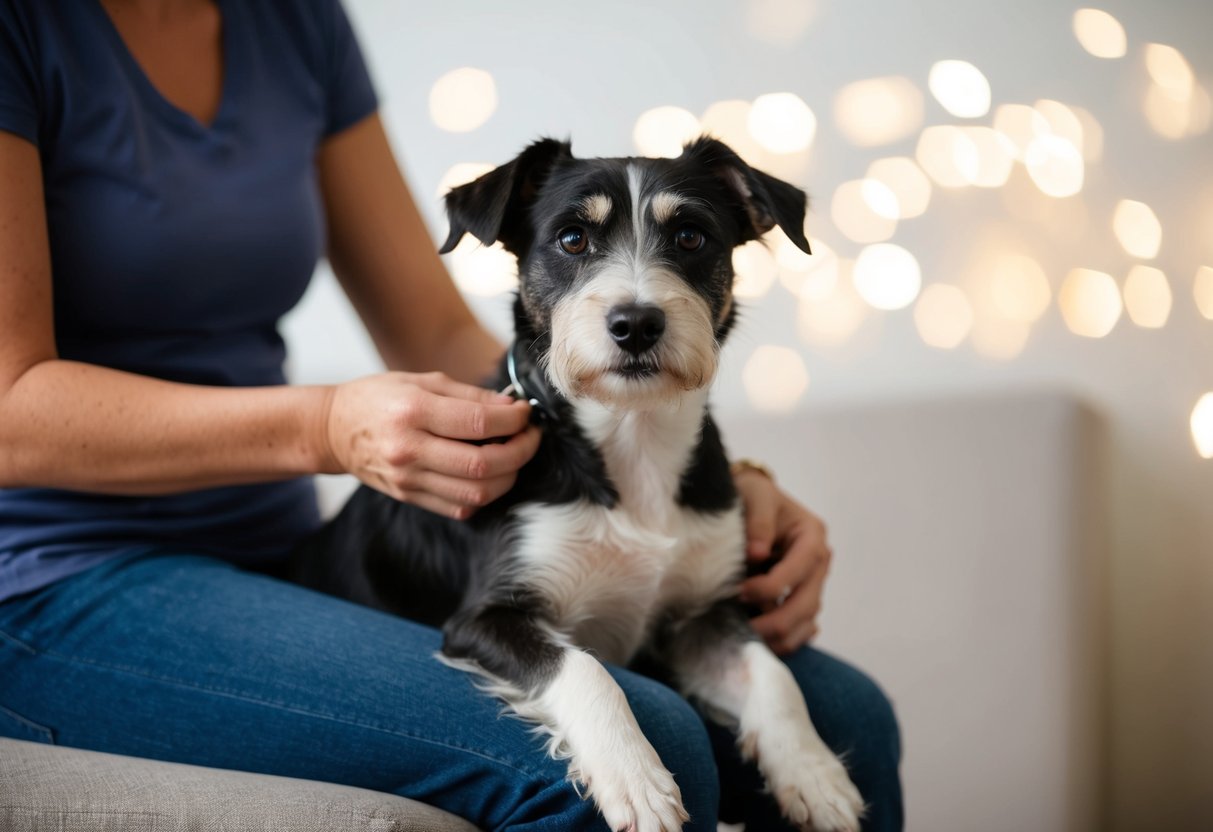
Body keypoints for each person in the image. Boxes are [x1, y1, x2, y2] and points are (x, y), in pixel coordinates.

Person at [0, 1, 903, 829]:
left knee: (850, 713)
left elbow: (431, 327)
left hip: (276, 557)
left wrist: (658, 464)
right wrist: (326, 429)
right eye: (580, 243)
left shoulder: (291, 20)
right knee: (646, 736)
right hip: (53, 575)